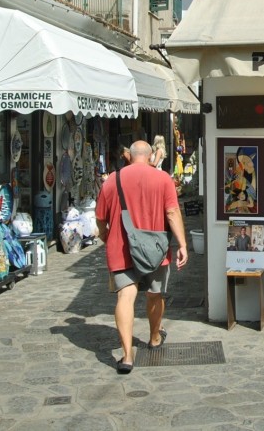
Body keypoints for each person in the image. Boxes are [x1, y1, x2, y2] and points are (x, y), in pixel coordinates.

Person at [95, 140, 188, 374]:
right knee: (155, 295)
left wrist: (106, 235)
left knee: (125, 297)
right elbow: (172, 212)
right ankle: (155, 337)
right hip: (154, 249)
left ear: (129, 156)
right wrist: (183, 244)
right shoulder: (163, 179)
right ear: (149, 157)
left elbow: (100, 219)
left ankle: (127, 357)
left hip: (121, 247)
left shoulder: (112, 181)